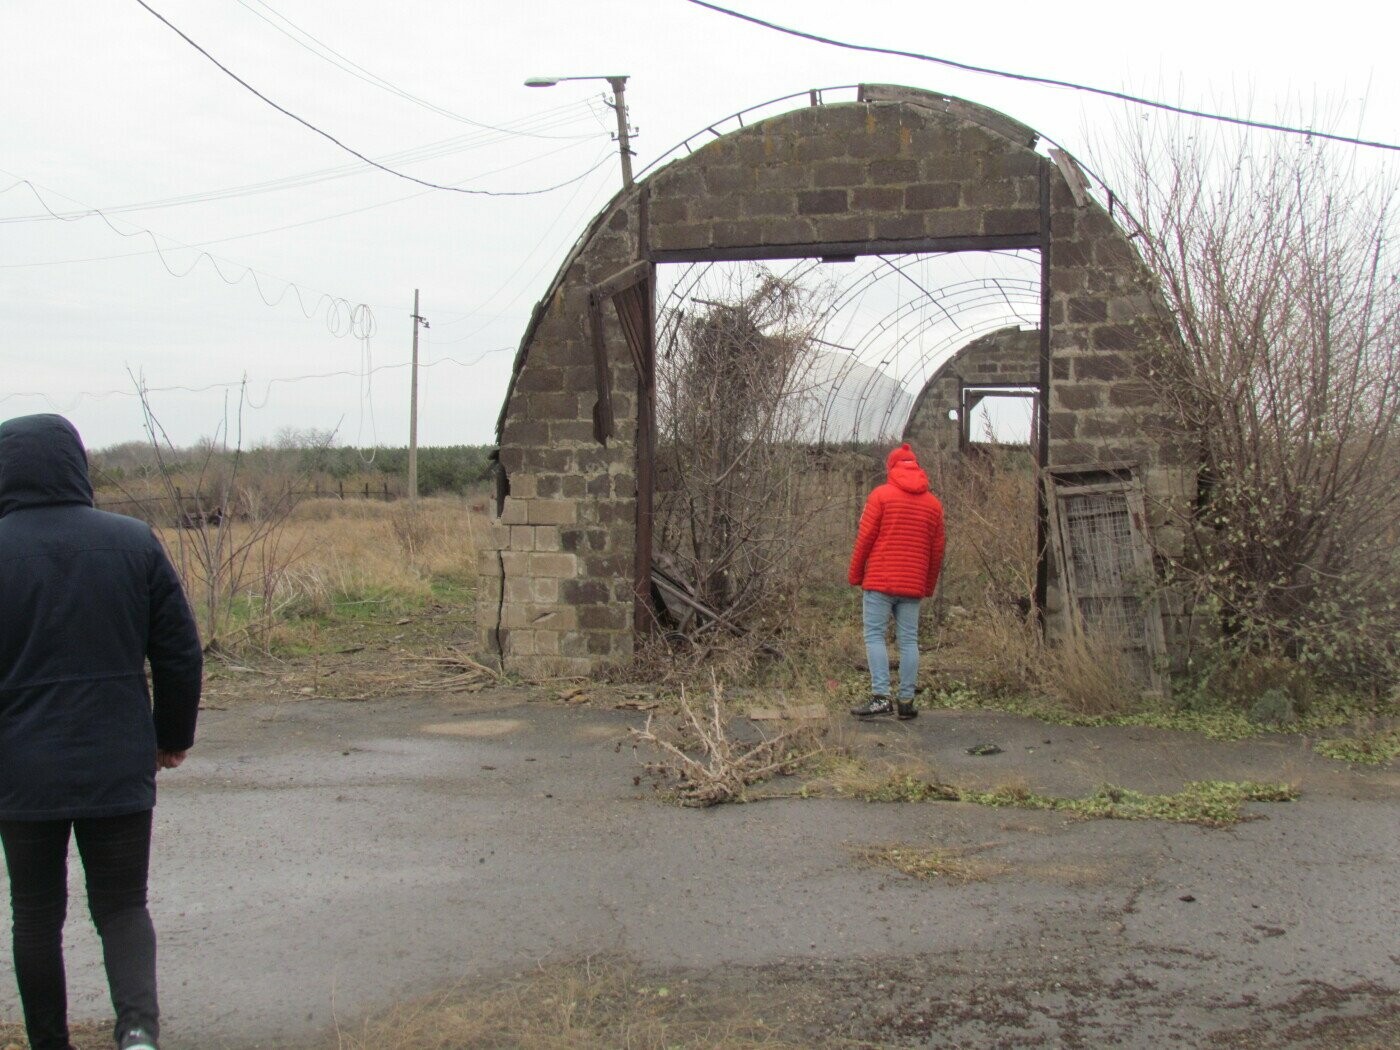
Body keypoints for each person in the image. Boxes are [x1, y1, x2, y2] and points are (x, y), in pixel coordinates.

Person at [0, 414, 202, 1050]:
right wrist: (170, 736)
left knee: (35, 913)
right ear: (76, 466)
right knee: (121, 905)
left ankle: (48, 1042)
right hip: (117, 757)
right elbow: (180, 654)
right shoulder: (134, 542)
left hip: (19, 768)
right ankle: (137, 1033)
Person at [847, 443, 946, 720]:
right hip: (912, 585)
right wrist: (927, 585)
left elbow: (865, 539)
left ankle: (880, 697)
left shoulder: (881, 496)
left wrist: (855, 574)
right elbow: (936, 552)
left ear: (891, 467)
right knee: (909, 641)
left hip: (879, 580)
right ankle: (906, 701)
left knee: (875, 636)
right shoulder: (933, 505)